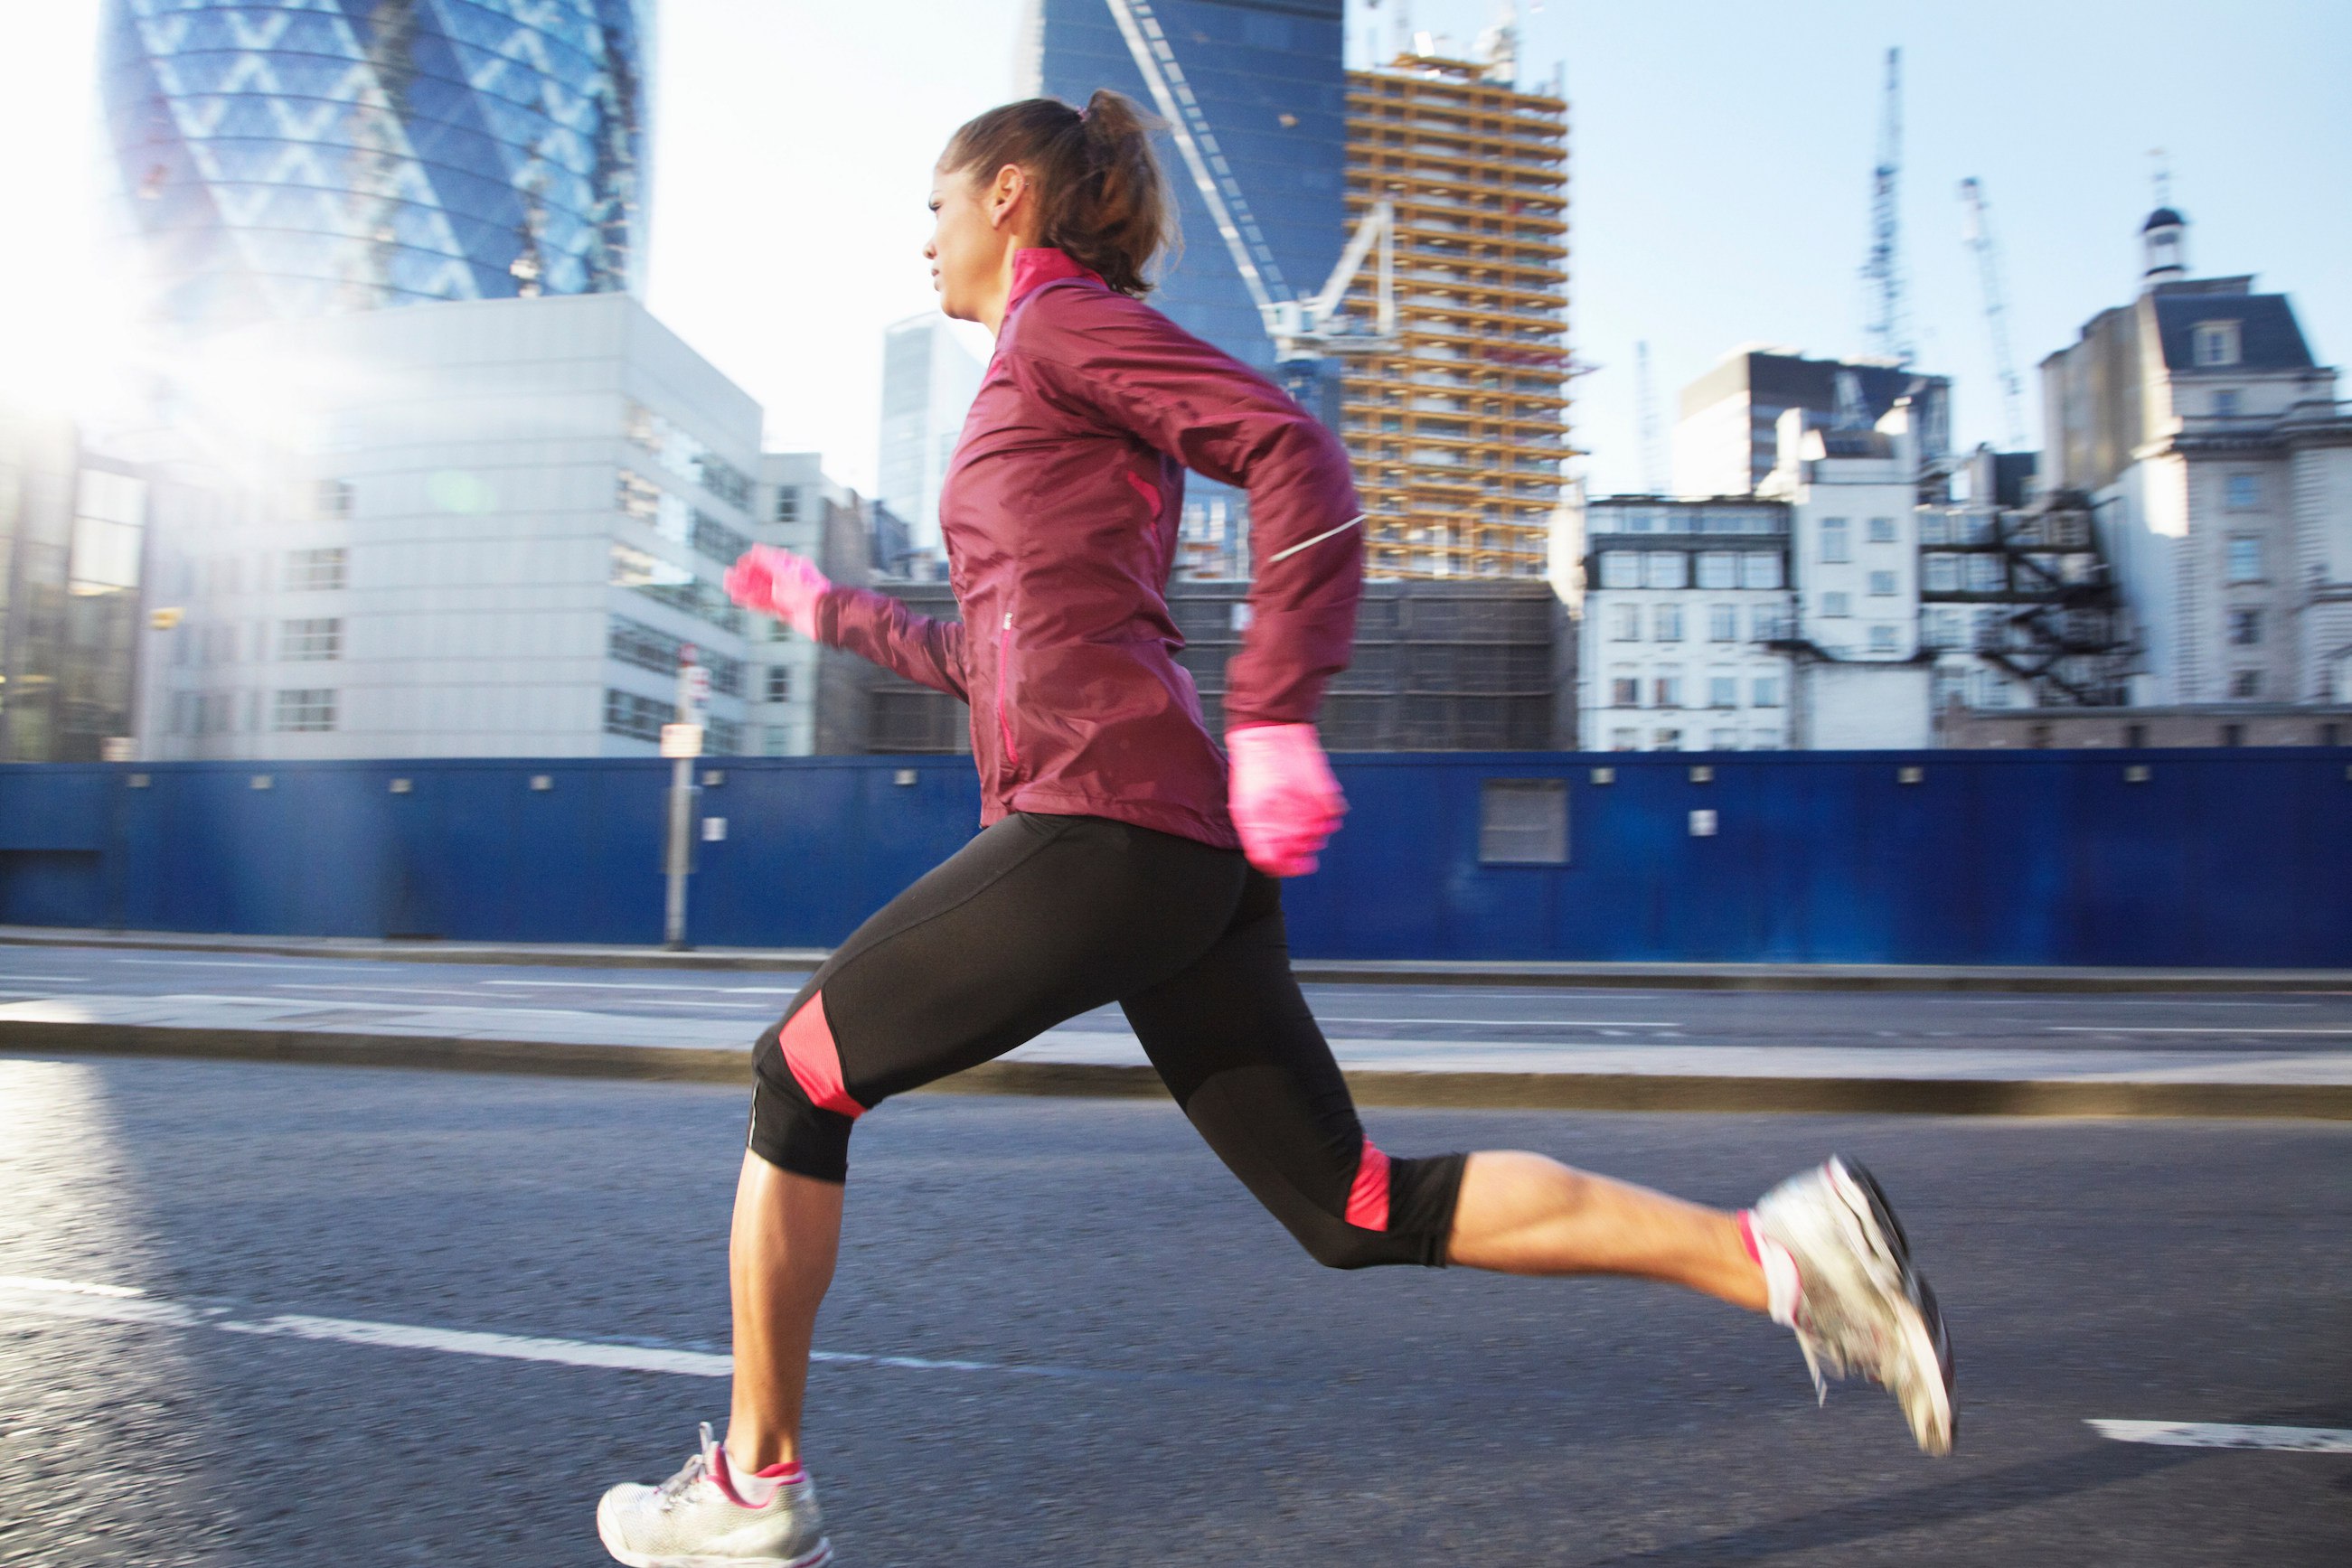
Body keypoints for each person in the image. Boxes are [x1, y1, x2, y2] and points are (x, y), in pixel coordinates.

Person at [594, 90, 1953, 1568]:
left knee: (796, 1074)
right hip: (1173, 846)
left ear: (1001, 197)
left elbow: (1293, 446)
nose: (919, 241)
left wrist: (1279, 704)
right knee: (1351, 1201)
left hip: (1107, 819)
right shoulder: (1039, 379)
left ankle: (752, 1484)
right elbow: (983, 654)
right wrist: (819, 609)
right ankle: (1782, 1256)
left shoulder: (1058, 324)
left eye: (930, 209)